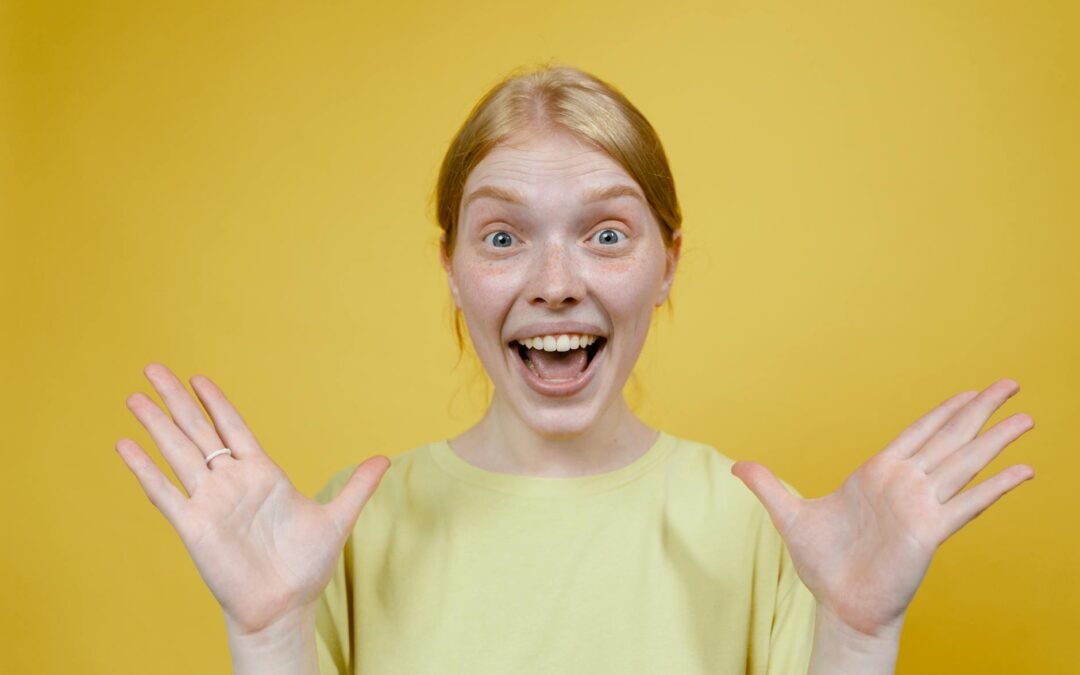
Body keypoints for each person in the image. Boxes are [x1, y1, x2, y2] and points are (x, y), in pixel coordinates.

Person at [116, 65, 1036, 675]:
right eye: (505, 236)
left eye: (605, 234)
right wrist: (267, 631)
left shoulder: (763, 530)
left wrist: (857, 633)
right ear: (452, 265)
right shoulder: (342, 531)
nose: (555, 286)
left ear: (668, 258)